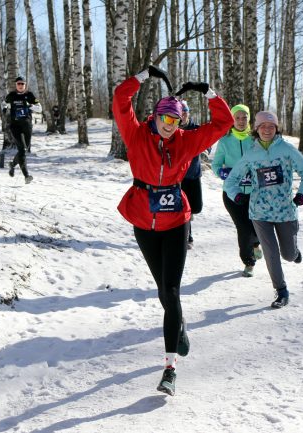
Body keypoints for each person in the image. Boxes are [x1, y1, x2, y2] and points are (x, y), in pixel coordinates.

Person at [112, 66, 233, 396]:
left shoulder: (187, 141)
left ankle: (169, 369)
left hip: (176, 222)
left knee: (172, 288)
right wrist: (141, 76)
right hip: (144, 222)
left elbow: (224, 124)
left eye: (175, 122)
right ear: (155, 117)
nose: (169, 127)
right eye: (165, 120)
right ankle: (178, 324)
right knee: (164, 293)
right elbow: (120, 100)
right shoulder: (136, 135)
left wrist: (208, 92)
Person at [223, 111, 303, 309]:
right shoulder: (251, 154)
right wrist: (236, 195)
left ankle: (294, 252)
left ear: (276, 129)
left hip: (285, 211)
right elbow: (231, 180)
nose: (267, 130)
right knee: (271, 253)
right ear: (256, 129)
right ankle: (281, 291)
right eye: (263, 126)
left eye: (271, 126)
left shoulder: (287, 150)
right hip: (259, 212)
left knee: (287, 255)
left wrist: (302, 194)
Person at [211, 104, 262, 277]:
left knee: (256, 226)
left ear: (249, 119)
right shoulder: (225, 142)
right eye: (237, 118)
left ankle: (256, 244)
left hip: (255, 193)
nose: (241, 121)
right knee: (243, 228)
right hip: (232, 194)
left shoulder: (257, 141)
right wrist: (222, 172)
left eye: (244, 117)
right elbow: (216, 165)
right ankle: (249, 262)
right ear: (232, 120)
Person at [3, 76, 41, 184]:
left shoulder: (29, 95)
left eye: (22, 84)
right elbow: (4, 104)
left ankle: (13, 164)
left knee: (26, 148)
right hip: (15, 125)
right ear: (16, 85)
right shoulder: (11, 95)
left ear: (25, 85)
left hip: (27, 125)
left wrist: (30, 106)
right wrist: (5, 109)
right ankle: (26, 175)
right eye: (18, 84)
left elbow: (40, 108)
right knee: (22, 150)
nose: (20, 86)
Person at [178, 100, 203, 249]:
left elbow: (207, 142)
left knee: (197, 207)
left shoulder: (196, 129)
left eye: (185, 111)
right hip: (177, 177)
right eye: (180, 112)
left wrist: (206, 150)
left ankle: (188, 218)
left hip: (193, 175)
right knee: (183, 209)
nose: (183, 115)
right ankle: (188, 236)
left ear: (188, 113)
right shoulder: (172, 129)